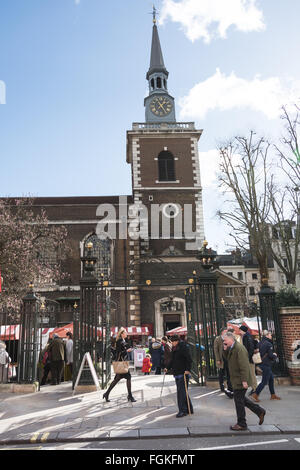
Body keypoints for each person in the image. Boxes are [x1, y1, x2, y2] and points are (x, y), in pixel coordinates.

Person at [223, 331, 266, 431]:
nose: (223, 342)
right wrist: (225, 349)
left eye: (225, 340)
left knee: (239, 401)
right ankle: (260, 411)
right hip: (236, 379)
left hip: (240, 379)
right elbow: (227, 358)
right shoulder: (231, 347)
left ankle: (242, 423)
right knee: (241, 399)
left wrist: (244, 380)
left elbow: (244, 366)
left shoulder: (239, 349)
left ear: (231, 339)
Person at [103, 327, 136, 403]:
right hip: (121, 363)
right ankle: (130, 396)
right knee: (128, 377)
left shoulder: (123, 340)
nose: (127, 334)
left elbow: (124, 348)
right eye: (125, 333)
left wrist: (128, 349)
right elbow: (118, 352)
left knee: (117, 379)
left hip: (123, 362)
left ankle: (106, 393)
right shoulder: (119, 341)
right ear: (122, 334)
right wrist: (126, 350)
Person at [165, 334, 193, 418]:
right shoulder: (175, 348)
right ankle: (189, 409)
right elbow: (173, 359)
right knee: (183, 392)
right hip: (177, 372)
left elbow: (189, 359)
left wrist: (188, 369)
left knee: (181, 393)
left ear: (176, 341)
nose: (172, 343)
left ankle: (182, 411)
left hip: (183, 372)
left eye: (172, 342)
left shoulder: (183, 347)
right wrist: (168, 367)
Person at [252, 330, 281, 402]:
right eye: (270, 335)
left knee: (271, 379)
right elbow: (271, 355)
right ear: (267, 335)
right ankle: (255, 394)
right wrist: (275, 356)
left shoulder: (259, 343)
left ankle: (273, 395)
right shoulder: (268, 344)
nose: (271, 336)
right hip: (266, 364)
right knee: (264, 381)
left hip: (261, 363)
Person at [239, 325, 257, 395]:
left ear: (243, 330)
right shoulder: (246, 336)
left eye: (240, 330)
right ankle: (253, 388)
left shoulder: (247, 337)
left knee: (252, 374)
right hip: (248, 358)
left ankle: (255, 389)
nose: (239, 331)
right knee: (250, 374)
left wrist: (248, 357)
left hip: (249, 359)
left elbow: (250, 348)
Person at [213, 327, 233, 395]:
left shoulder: (228, 338)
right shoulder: (217, 339)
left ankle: (230, 386)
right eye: (225, 331)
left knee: (229, 373)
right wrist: (218, 359)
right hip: (221, 359)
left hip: (228, 358)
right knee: (221, 373)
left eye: (227, 331)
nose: (226, 332)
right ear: (222, 332)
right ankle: (222, 386)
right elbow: (216, 350)